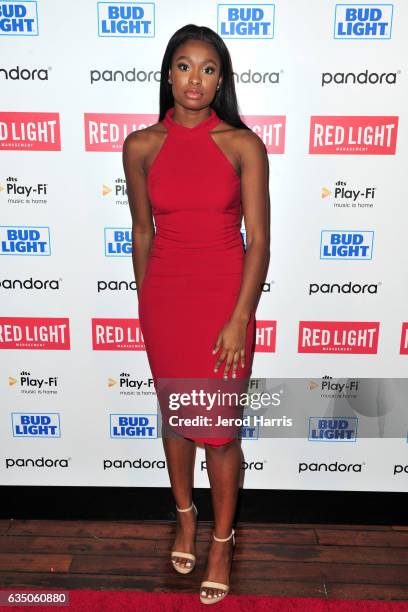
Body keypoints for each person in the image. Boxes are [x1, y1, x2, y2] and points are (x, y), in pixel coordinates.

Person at [122, 23, 269, 605]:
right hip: (166, 301)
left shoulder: (241, 145)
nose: (195, 79)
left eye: (209, 69)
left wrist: (240, 317)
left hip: (224, 300)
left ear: (221, 81)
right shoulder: (140, 146)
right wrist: (146, 301)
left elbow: (257, 240)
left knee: (220, 430)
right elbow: (142, 230)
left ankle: (222, 539)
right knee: (177, 417)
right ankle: (184, 516)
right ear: (167, 73)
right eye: (185, 66)